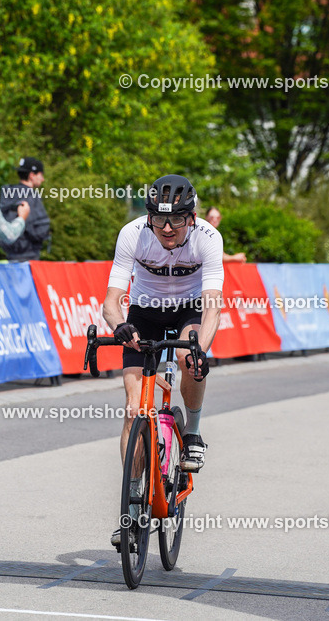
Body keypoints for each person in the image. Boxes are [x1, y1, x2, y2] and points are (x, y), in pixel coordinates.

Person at [103, 174, 223, 549]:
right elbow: (111, 300)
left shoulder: (208, 238)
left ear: (193, 216)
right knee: (132, 406)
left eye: (176, 220)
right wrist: (118, 324)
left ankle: (192, 432)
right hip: (145, 310)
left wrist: (201, 349)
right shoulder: (132, 234)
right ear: (149, 216)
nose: (167, 228)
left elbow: (213, 307)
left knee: (190, 358)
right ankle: (133, 504)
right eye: (159, 219)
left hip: (189, 308)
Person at [0, 157, 51, 261]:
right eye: (41, 175)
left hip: (9, 255)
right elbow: (39, 231)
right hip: (28, 257)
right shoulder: (31, 197)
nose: (43, 179)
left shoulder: (7, 194)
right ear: (32, 175)